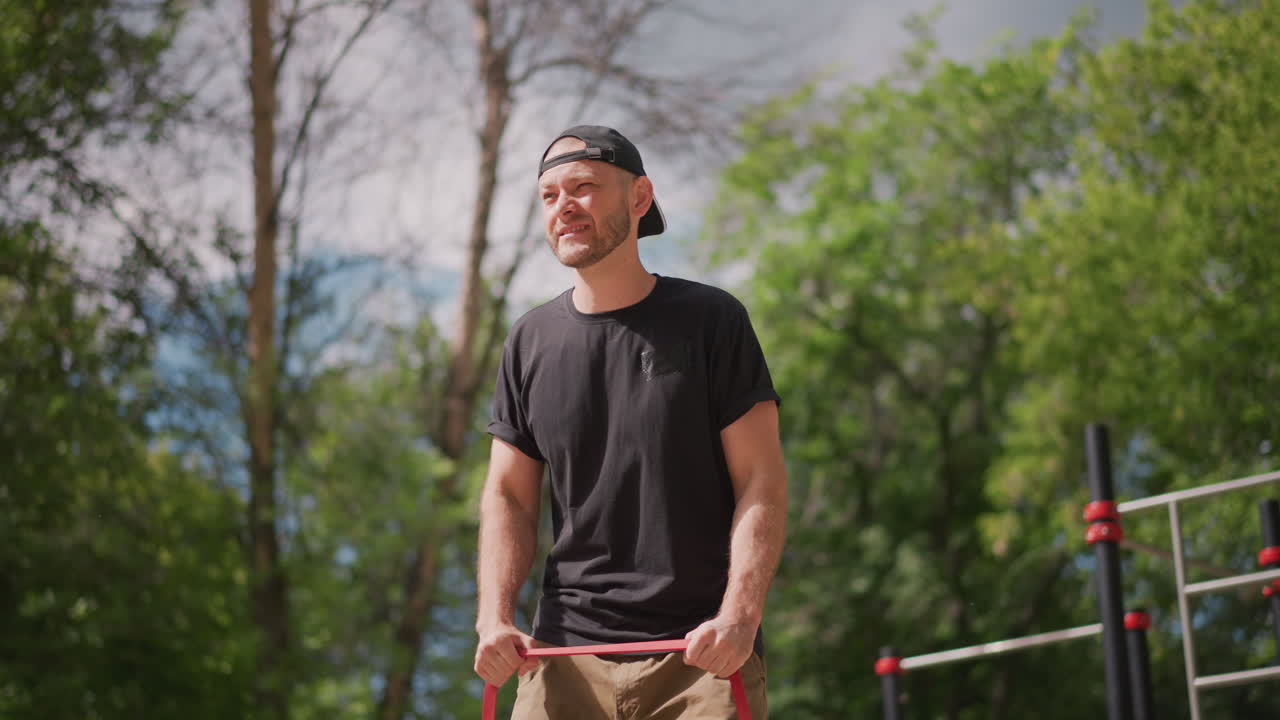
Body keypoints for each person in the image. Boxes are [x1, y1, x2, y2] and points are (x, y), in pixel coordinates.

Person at [473, 125, 787, 719]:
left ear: (639, 197)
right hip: (560, 660)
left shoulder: (711, 320)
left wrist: (740, 618)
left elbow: (761, 479)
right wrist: (493, 620)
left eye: (584, 187)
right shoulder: (528, 341)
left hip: (701, 659)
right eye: (549, 196)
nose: (564, 206)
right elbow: (508, 494)